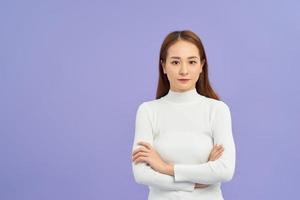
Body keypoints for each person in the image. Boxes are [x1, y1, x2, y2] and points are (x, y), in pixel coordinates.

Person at [131, 30, 236, 200]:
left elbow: (225, 170)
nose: (184, 70)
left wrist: (166, 168)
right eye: (175, 62)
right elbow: (142, 174)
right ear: (163, 66)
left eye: (192, 62)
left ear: (202, 66)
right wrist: (200, 179)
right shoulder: (148, 111)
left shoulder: (217, 110)